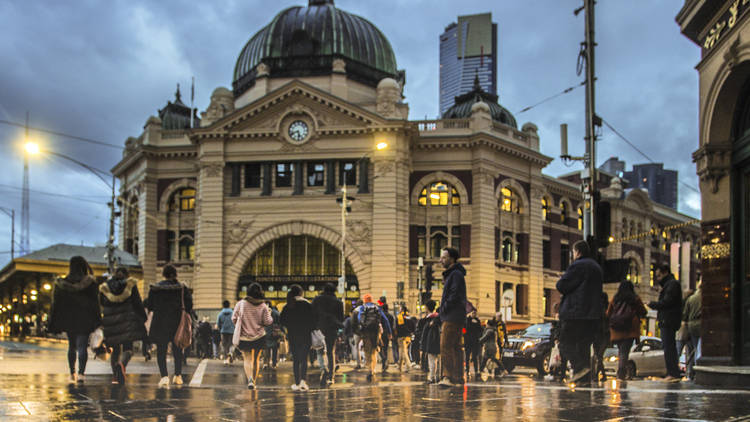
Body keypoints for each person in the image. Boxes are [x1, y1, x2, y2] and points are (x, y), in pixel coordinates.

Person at [555, 240, 603, 384]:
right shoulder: (597, 267)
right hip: (592, 314)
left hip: (576, 312)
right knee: (584, 345)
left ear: (577, 252)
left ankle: (579, 367)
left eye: (573, 252)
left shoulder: (577, 265)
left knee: (564, 342)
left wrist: (562, 279)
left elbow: (561, 286)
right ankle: (584, 378)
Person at [48, 256, 101, 384]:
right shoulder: (90, 283)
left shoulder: (62, 284)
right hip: (85, 318)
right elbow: (95, 303)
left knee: (72, 346)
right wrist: (98, 320)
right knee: (82, 345)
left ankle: (72, 373)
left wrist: (52, 321)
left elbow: (56, 304)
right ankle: (82, 374)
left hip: (69, 319)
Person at [144, 264, 193, 388]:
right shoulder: (182, 288)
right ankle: (178, 376)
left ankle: (164, 377)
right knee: (177, 349)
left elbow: (150, 305)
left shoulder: (155, 288)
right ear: (175, 274)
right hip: (177, 322)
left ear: (164, 275)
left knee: (161, 350)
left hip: (160, 321)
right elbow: (189, 305)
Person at [99, 266, 147, 385]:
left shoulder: (106, 287)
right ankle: (122, 364)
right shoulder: (130, 285)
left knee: (115, 349)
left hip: (111, 321)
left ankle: (115, 376)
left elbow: (101, 302)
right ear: (127, 275)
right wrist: (143, 317)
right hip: (127, 320)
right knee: (128, 348)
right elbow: (137, 302)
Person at [232, 282, 273, 389]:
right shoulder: (263, 305)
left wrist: (241, 324)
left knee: (247, 358)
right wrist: (269, 313)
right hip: (259, 336)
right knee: (256, 359)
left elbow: (234, 318)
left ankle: (249, 379)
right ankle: (253, 381)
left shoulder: (241, 304)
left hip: (244, 336)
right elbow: (268, 322)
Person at [437, 247, 467, 387]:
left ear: (452, 259)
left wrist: (443, 309)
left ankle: (447, 377)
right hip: (456, 315)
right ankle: (458, 378)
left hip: (452, 315)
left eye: (444, 257)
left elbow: (453, 295)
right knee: (455, 347)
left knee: (446, 346)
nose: (441, 260)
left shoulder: (455, 275)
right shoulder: (456, 274)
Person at [606, 280, 647, 380]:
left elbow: (608, 313)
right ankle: (621, 372)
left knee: (622, 350)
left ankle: (623, 371)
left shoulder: (615, 299)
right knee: (624, 351)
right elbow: (643, 311)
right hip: (630, 329)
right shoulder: (635, 299)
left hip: (616, 329)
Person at [648, 263, 683, 381]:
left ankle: (673, 373)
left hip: (668, 320)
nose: (657, 279)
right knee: (669, 347)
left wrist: (653, 304)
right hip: (668, 319)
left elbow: (667, 302)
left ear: (665, 273)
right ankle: (672, 373)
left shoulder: (672, 285)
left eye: (658, 276)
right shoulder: (670, 284)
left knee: (669, 347)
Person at [280, 284, 317, 391]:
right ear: (301, 293)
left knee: (296, 359)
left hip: (293, 335)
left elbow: (282, 321)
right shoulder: (307, 305)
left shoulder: (288, 306)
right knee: (304, 358)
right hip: (306, 335)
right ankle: (303, 381)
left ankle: (296, 383)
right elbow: (314, 321)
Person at [311, 283, 344, 385]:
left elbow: (312, 314)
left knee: (319, 350)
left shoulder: (317, 300)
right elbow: (341, 318)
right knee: (331, 352)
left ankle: (323, 369)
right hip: (332, 329)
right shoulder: (338, 302)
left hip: (319, 328)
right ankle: (331, 377)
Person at [356, 293, 392, 382]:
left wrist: (359, 331)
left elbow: (359, 319)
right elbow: (386, 320)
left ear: (365, 300)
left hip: (366, 332)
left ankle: (370, 369)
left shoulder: (362, 308)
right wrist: (389, 332)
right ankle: (372, 368)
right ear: (371, 300)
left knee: (367, 350)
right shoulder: (377, 307)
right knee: (374, 350)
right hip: (376, 332)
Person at [682, 279, 702, 380]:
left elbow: (685, 315)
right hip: (702, 325)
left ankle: (692, 373)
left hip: (692, 326)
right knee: (700, 349)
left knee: (694, 348)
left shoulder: (691, 299)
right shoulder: (705, 298)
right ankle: (698, 370)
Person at [420, 300, 441, 384]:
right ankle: (437, 377)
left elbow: (424, 333)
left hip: (431, 342)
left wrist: (422, 345)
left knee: (432, 361)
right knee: (438, 361)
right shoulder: (438, 318)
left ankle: (431, 378)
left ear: (427, 308)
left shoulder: (428, 320)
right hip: (439, 341)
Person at [592, 292, 611, 382]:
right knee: (598, 356)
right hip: (601, 335)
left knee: (598, 356)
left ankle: (597, 375)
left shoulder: (605, 309)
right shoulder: (603, 309)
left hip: (601, 335)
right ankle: (602, 375)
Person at [395, 306, 415, 372]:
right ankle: (399, 366)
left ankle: (408, 365)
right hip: (408, 337)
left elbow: (396, 328)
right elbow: (413, 327)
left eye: (400, 309)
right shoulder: (409, 317)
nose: (399, 310)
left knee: (403, 352)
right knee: (403, 351)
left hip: (401, 337)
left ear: (402, 309)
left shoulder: (399, 317)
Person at [464, 309, 482, 379]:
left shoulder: (477, 321)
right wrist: (465, 334)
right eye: (473, 313)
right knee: (467, 357)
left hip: (475, 341)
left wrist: (476, 323)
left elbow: (480, 330)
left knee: (474, 357)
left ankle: (476, 370)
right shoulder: (467, 320)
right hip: (468, 341)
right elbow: (464, 329)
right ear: (470, 313)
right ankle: (467, 370)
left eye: (475, 313)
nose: (474, 314)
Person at [379, 302, 396, 373]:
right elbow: (392, 326)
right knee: (385, 348)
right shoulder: (391, 316)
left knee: (379, 347)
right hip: (387, 334)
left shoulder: (381, 316)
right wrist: (390, 334)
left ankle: (384, 359)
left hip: (381, 333)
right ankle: (385, 362)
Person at [263, 301, 282, 370]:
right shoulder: (276, 313)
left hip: (265, 332)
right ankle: (274, 364)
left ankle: (265, 363)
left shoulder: (263, 312)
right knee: (275, 349)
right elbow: (280, 323)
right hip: (275, 333)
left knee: (266, 349)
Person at [216, 300, 235, 365]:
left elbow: (218, 323)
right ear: (229, 305)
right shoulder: (233, 313)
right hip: (232, 331)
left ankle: (225, 359)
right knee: (231, 344)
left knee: (224, 345)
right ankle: (230, 353)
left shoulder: (220, 314)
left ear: (223, 305)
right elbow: (236, 321)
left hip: (223, 331)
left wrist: (221, 328)